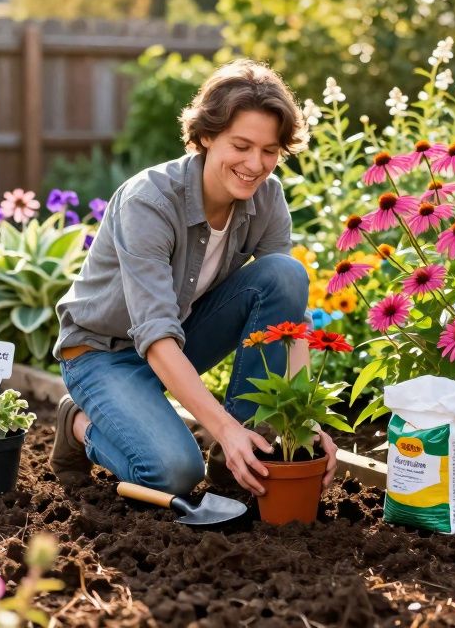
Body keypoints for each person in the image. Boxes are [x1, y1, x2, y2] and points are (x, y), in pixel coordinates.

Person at [49, 59, 339, 497]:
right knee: (174, 475)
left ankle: (238, 462)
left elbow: (287, 319)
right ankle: (79, 424)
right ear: (206, 136)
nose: (255, 164)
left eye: (269, 151)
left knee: (285, 273)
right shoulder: (149, 202)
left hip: (180, 339)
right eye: (241, 145)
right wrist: (221, 426)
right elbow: (154, 332)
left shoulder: (268, 197)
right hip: (102, 353)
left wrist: (303, 420)